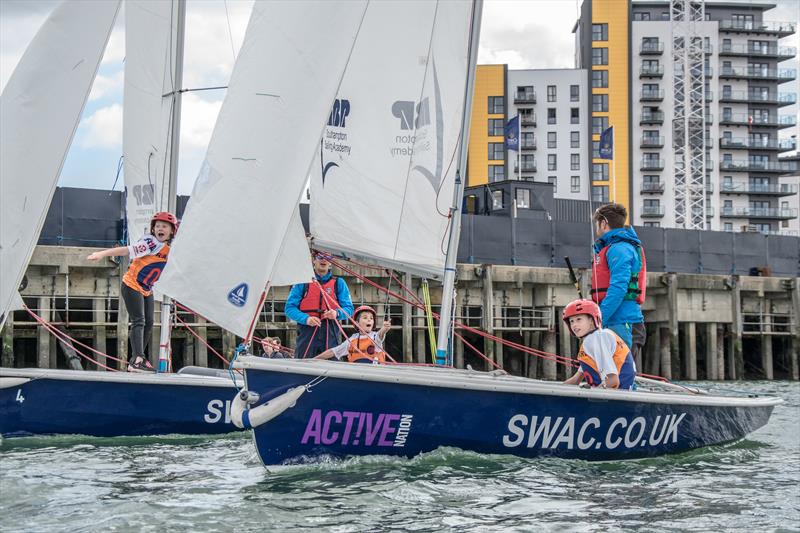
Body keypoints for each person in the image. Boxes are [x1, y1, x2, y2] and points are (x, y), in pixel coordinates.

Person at [87, 211, 178, 372]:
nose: (160, 229)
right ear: (153, 229)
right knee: (139, 321)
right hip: (131, 285)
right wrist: (102, 254)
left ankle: (138, 359)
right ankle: (137, 360)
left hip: (146, 289)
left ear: (172, 231)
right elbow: (126, 250)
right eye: (157, 226)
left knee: (149, 322)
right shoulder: (150, 243)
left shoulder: (171, 248)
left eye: (164, 226)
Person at [590, 203, 647, 357]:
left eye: (597, 224)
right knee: (610, 375)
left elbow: (619, 288)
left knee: (622, 376)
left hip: (623, 323)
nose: (596, 228)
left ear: (603, 223)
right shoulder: (615, 247)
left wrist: (598, 318)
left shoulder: (619, 249)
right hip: (616, 321)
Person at [285, 251, 354, 358]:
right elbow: (289, 308)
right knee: (303, 364)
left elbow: (349, 309)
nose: (323, 259)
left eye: (327, 256)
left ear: (330, 262)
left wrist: (336, 313)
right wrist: (306, 319)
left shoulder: (339, 283)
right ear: (313, 260)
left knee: (331, 366)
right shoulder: (302, 282)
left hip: (330, 331)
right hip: (307, 330)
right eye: (320, 256)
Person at [562, 299, 636, 390]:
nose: (574, 325)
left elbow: (612, 381)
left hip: (617, 395)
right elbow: (576, 380)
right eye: (571, 321)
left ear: (592, 320)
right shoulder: (592, 339)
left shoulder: (597, 338)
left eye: (579, 319)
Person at [315, 305, 391, 364]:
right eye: (365, 317)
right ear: (357, 323)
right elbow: (333, 351)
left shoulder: (375, 336)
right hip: (357, 373)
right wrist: (314, 359)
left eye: (371, 318)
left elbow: (381, 334)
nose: (369, 320)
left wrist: (384, 328)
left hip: (374, 372)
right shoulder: (352, 339)